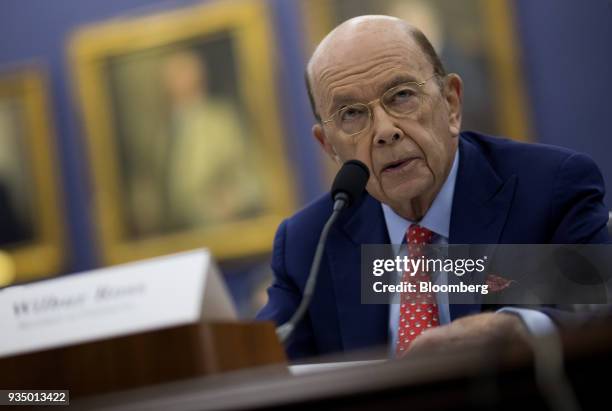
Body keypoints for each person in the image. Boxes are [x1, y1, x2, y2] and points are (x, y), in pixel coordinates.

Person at [257, 15, 610, 360]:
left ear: (452, 103)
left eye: (401, 96)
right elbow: (261, 368)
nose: (384, 131)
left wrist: (523, 331)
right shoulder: (309, 245)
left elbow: (601, 317)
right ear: (328, 146)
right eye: (352, 114)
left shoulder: (547, 191)